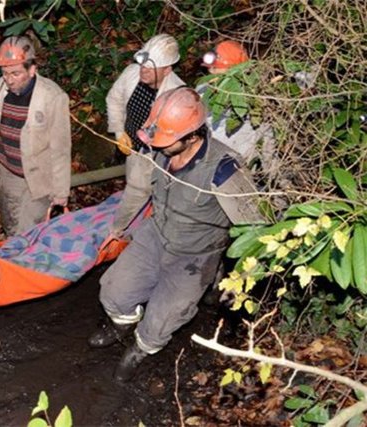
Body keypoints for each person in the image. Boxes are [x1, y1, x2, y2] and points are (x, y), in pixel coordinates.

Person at [88, 87, 264, 382]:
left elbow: (254, 228)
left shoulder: (224, 170)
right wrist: (118, 228)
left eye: (167, 141)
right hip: (155, 235)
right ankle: (121, 327)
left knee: (162, 320)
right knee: (114, 292)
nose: (158, 145)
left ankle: (140, 349)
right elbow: (138, 189)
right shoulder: (158, 146)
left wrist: (244, 278)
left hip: (195, 254)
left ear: (192, 136)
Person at [0, 35, 71, 236]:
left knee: (28, 232)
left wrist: (61, 191)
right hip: (8, 171)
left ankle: (24, 266)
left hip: (37, 177)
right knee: (10, 225)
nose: (8, 79)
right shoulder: (0, 87)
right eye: (5, 72)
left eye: (16, 73)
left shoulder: (52, 97)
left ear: (32, 69)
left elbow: (60, 148)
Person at [105, 33, 185, 236]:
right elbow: (114, 99)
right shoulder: (132, 73)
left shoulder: (177, 95)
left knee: (138, 189)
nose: (144, 70)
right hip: (131, 143)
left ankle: (115, 232)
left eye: (151, 67)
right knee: (134, 184)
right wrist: (119, 131)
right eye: (143, 65)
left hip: (156, 153)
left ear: (167, 70)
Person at [198, 40, 277, 176]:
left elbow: (268, 151)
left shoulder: (257, 99)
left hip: (245, 169)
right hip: (211, 166)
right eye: (210, 69)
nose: (211, 72)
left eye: (216, 68)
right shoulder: (203, 90)